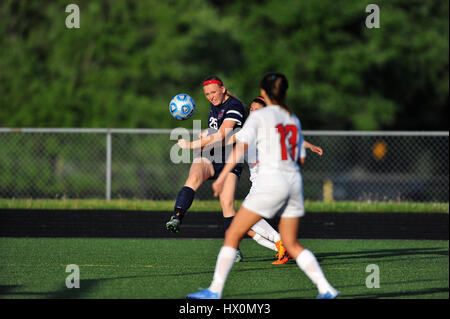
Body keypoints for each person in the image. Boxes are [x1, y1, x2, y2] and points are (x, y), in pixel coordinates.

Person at [186, 72, 338, 299]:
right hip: (294, 183)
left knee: (233, 233)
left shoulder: (257, 119)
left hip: (269, 182)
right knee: (291, 243)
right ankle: (326, 289)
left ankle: (214, 291)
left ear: (265, 93)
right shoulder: (289, 117)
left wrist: (216, 168)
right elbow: (298, 148)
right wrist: (310, 146)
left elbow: (235, 145)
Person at [165, 75, 277, 262]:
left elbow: (223, 136)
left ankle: (233, 248)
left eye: (213, 92)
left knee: (227, 204)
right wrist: (205, 134)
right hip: (210, 155)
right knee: (193, 179)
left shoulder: (234, 106)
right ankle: (177, 216)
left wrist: (191, 144)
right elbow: (215, 132)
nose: (210, 96)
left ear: (223, 89)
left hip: (229, 160)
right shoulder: (215, 106)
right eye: (207, 94)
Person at [242, 96, 324, 265]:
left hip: (267, 182)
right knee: (243, 225)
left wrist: (310, 147)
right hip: (258, 184)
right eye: (251, 109)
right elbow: (225, 140)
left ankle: (282, 243)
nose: (253, 112)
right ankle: (282, 248)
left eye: (257, 110)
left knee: (243, 218)